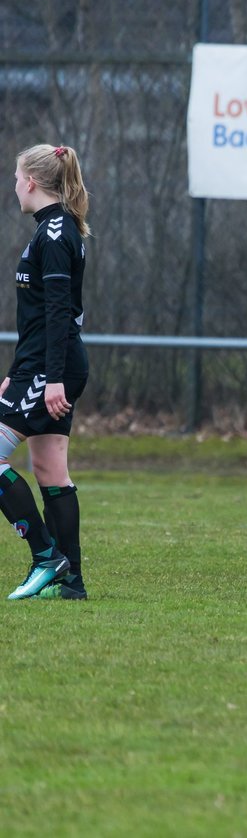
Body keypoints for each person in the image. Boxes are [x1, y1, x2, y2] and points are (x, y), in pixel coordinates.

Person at [3, 144, 91, 600]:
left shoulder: (54, 234)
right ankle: (70, 581)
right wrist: (17, 373)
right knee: (50, 468)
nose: (14, 185)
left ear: (32, 182)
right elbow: (38, 318)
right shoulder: (52, 230)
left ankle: (45, 557)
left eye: (17, 177)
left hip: (50, 368)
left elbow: (59, 313)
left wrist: (50, 378)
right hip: (41, 366)